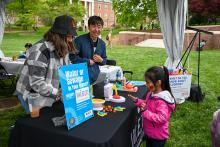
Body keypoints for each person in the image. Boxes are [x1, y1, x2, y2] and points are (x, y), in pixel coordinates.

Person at [16, 15, 78, 113]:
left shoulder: (63, 48)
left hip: (49, 92)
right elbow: (37, 83)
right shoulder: (40, 51)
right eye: (69, 36)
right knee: (36, 124)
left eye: (72, 36)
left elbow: (65, 69)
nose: (71, 40)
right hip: (32, 95)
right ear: (59, 35)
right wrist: (57, 92)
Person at [128, 66, 176, 147]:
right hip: (150, 133)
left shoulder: (162, 101)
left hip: (158, 137)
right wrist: (137, 101)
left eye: (147, 82)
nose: (146, 84)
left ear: (158, 83)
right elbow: (146, 104)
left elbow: (162, 118)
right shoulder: (151, 93)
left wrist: (145, 112)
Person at [74, 15, 107, 85]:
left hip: (96, 77)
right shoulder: (79, 40)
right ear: (89, 27)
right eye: (93, 26)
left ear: (102, 28)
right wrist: (87, 61)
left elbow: (104, 60)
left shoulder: (102, 44)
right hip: (80, 78)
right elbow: (72, 58)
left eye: (99, 27)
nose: (96, 29)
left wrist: (101, 60)